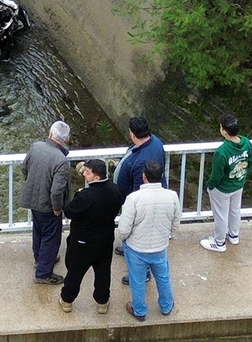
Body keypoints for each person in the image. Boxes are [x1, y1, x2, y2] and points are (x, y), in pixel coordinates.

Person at [116, 161, 179, 321]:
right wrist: (169, 236)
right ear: (161, 176)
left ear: (144, 177)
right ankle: (166, 305)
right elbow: (176, 222)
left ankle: (140, 310)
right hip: (160, 246)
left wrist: (125, 239)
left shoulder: (133, 198)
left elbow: (124, 228)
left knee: (137, 280)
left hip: (136, 247)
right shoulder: (172, 196)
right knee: (163, 277)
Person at [59, 159, 123, 314]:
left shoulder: (85, 197)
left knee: (75, 272)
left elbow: (69, 212)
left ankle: (67, 300)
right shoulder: (115, 191)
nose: (84, 173)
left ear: (96, 177)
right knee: (103, 272)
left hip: (83, 242)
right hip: (105, 240)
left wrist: (76, 195)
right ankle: (102, 302)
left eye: (88, 172)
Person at [114, 116, 166, 284]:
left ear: (133, 135)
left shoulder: (142, 161)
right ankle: (128, 249)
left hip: (140, 205)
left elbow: (139, 190)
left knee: (139, 235)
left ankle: (143, 273)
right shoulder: (155, 141)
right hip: (150, 198)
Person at [20, 120, 71, 285]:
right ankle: (43, 272)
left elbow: (24, 168)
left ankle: (39, 259)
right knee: (51, 237)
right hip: (48, 206)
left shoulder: (36, 147)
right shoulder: (61, 160)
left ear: (50, 134)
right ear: (66, 139)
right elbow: (57, 191)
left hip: (33, 199)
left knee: (38, 230)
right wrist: (57, 208)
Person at [201, 113, 252, 253]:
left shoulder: (222, 152)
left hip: (222, 188)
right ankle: (233, 235)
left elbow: (217, 174)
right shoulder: (247, 143)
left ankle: (219, 243)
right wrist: (241, 177)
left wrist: (210, 185)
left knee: (220, 215)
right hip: (238, 183)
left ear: (224, 131)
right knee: (235, 210)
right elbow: (250, 163)